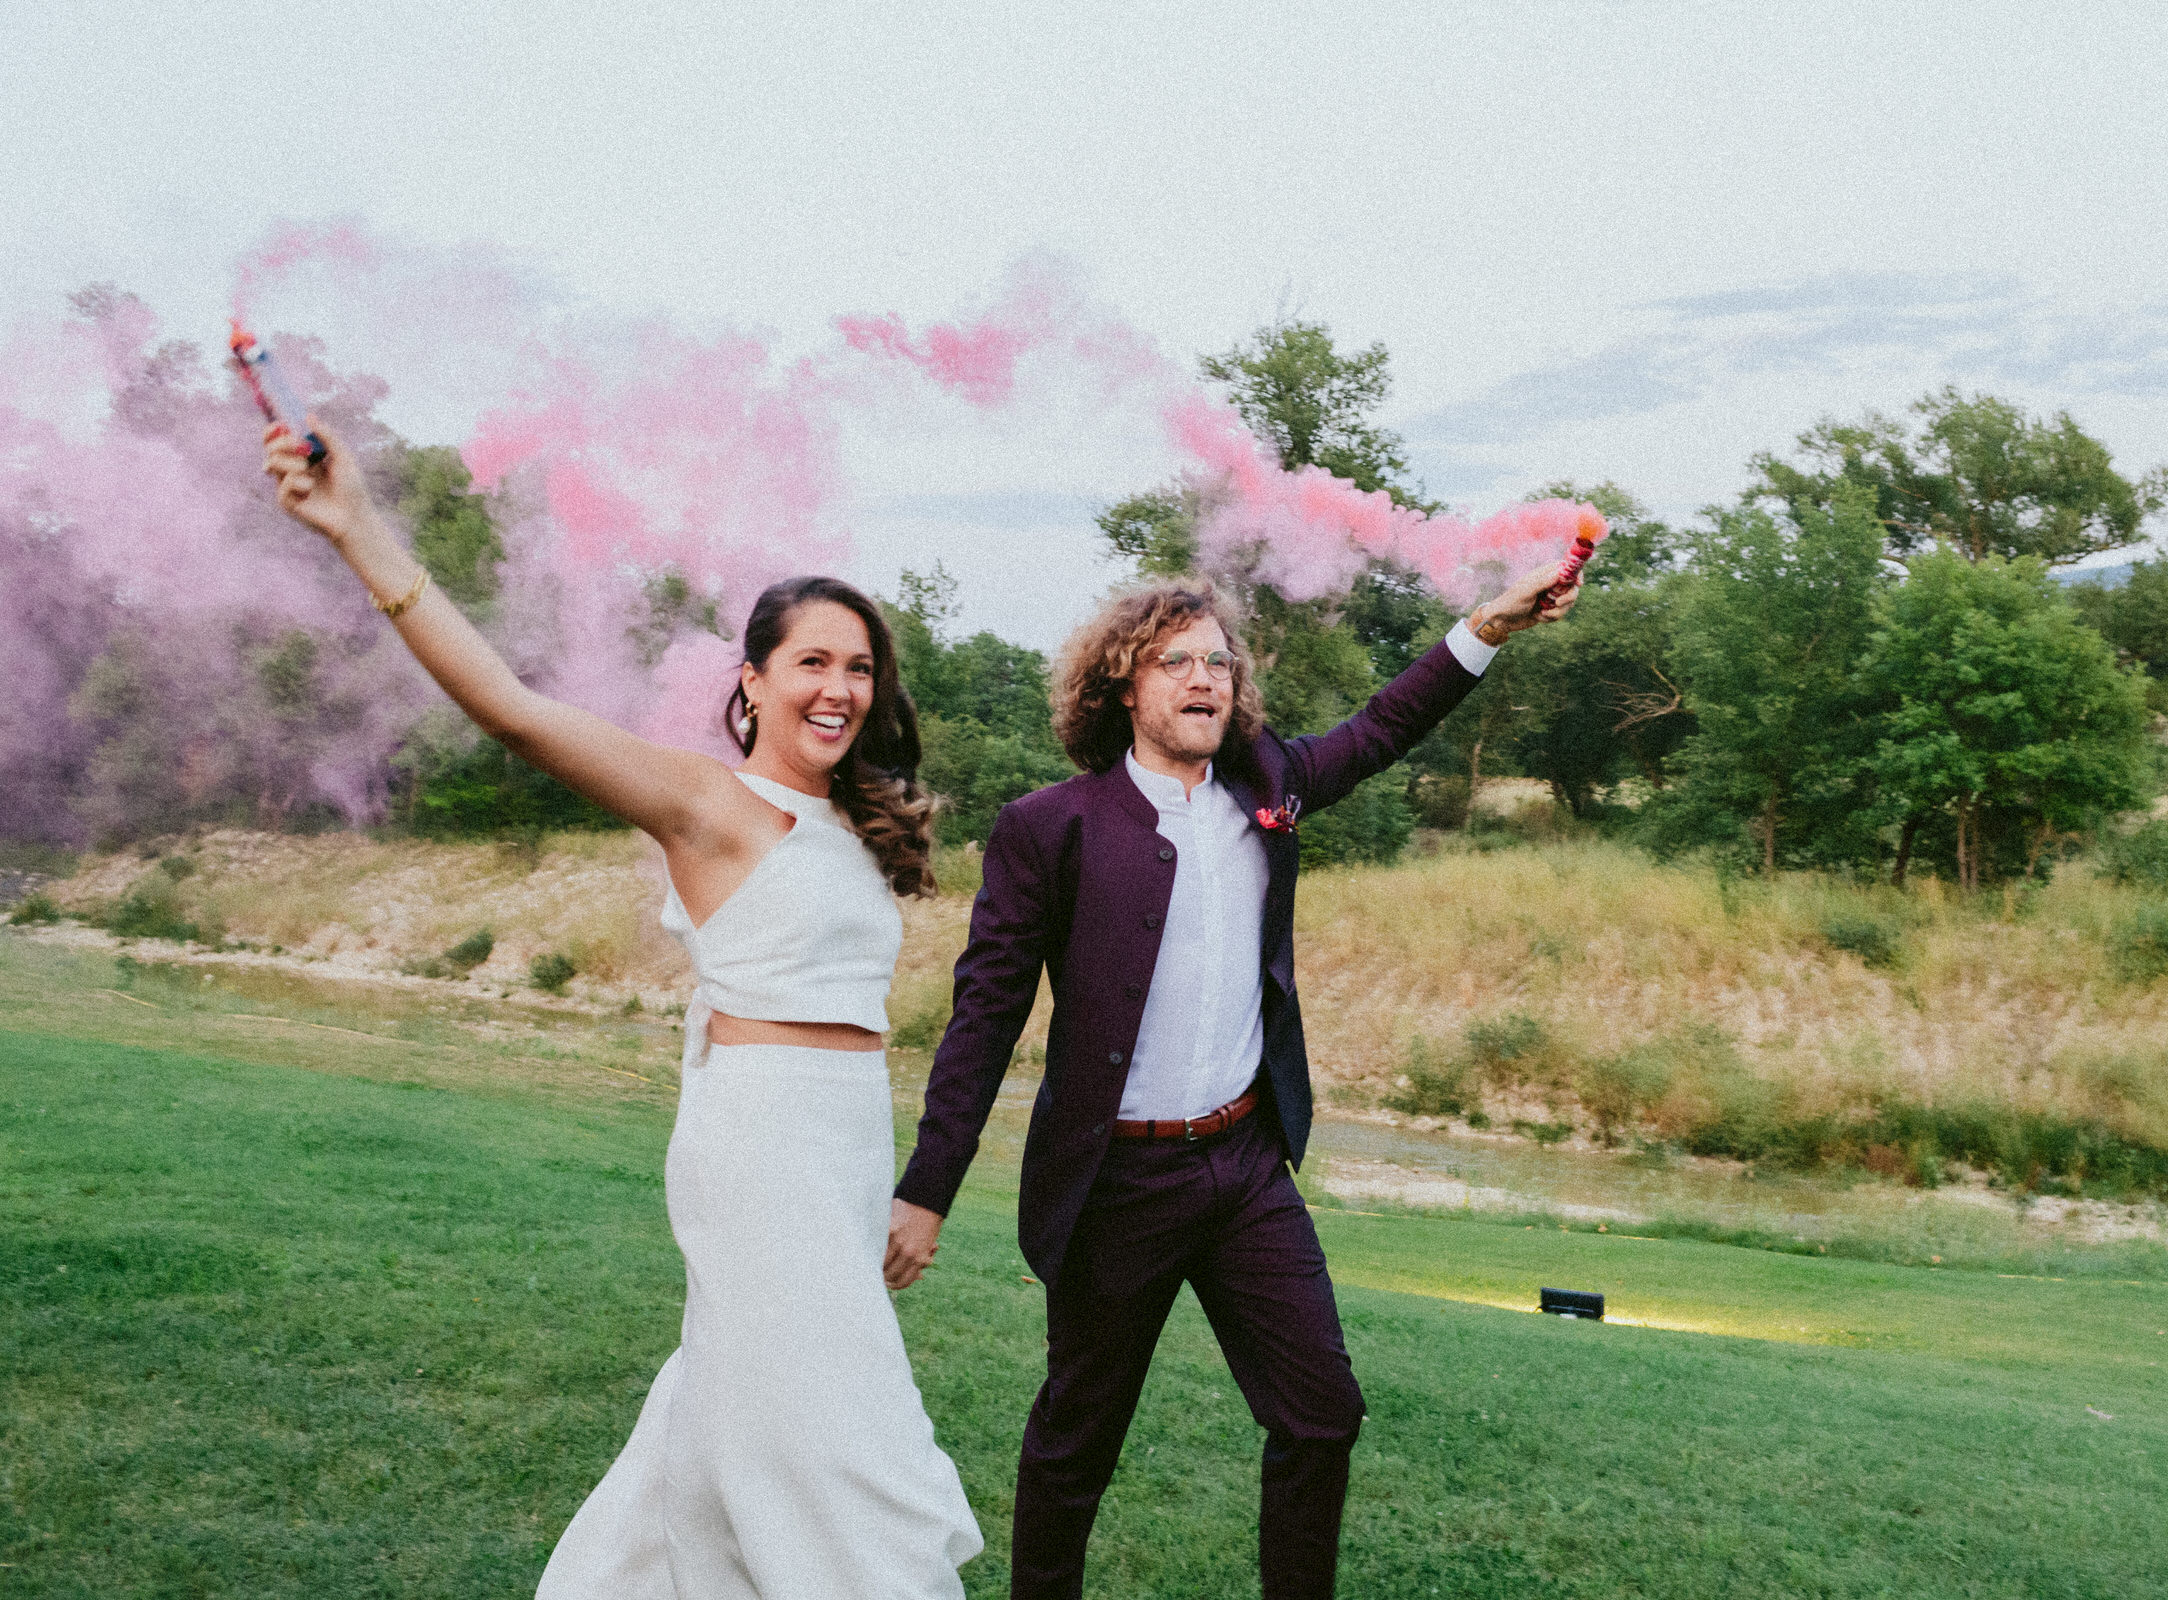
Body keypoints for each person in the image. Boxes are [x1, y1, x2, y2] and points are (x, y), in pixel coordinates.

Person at [261, 420, 982, 1599]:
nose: (842, 687)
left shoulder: (857, 823)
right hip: (760, 1150)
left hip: (843, 1142)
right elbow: (511, 707)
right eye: (813, 661)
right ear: (752, 680)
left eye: (859, 667)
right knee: (844, 1434)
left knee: (726, 1417)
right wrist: (358, 527)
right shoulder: (707, 802)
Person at [884, 566, 1579, 1598]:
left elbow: (1386, 723)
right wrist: (927, 1188)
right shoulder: (1051, 826)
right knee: (1077, 1441)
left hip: (1247, 1166)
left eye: (1218, 661)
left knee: (1321, 1413)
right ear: (1124, 684)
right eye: (1176, 662)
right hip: (1118, 1183)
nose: (1204, 678)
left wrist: (1488, 625)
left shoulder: (1270, 785)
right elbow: (985, 1019)